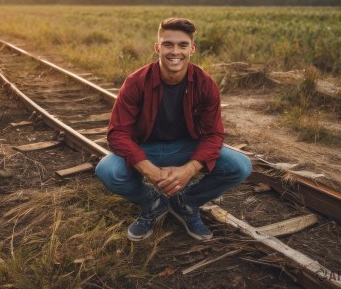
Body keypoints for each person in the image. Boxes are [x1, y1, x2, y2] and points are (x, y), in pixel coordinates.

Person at [95, 17, 252, 242]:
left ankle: (186, 202)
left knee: (240, 165)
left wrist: (188, 170)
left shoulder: (205, 84)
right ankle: (153, 203)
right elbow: (117, 133)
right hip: (145, 148)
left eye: (182, 45)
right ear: (157, 47)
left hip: (186, 147)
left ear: (192, 49)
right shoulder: (136, 82)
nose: (174, 51)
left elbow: (213, 135)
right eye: (168, 44)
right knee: (107, 170)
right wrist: (150, 171)